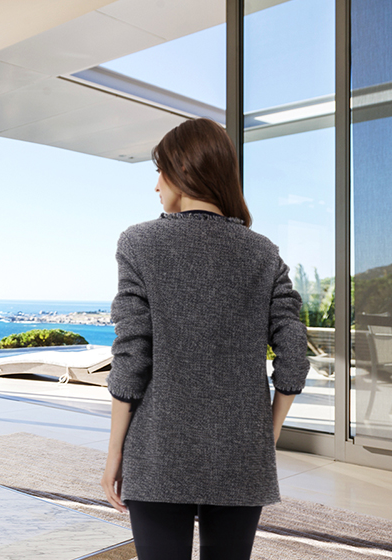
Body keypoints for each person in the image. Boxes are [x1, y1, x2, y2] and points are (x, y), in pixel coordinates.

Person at [100, 118, 308, 560]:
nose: (156, 186)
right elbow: (293, 354)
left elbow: (132, 356)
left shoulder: (139, 243)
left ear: (180, 171)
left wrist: (115, 451)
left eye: (159, 172)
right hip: (241, 453)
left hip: (158, 450)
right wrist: (262, 438)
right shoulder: (264, 252)